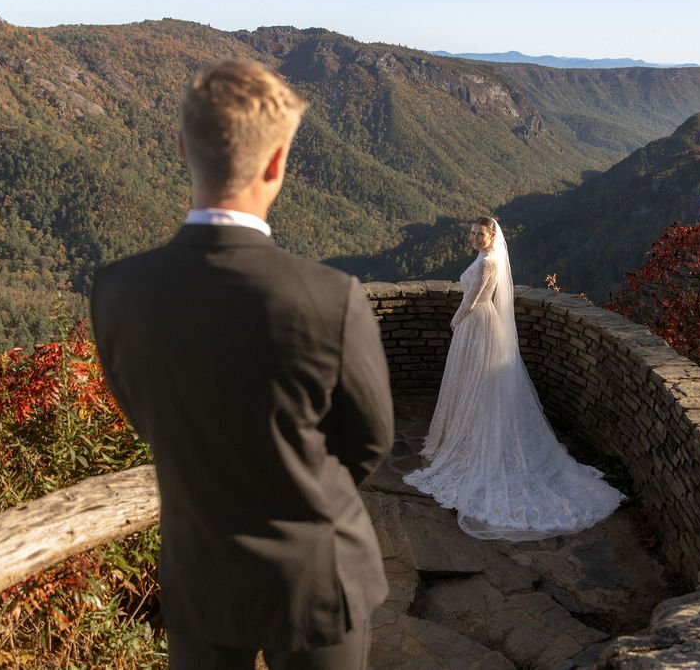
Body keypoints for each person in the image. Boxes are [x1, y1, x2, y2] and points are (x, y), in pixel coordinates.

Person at [91, 60, 393, 669]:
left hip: (200, 573)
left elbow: (145, 415)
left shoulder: (118, 290)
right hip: (316, 578)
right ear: (278, 161)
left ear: (182, 148)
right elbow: (369, 442)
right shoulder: (331, 297)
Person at [403, 216, 624, 541]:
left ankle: (472, 440)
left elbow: (473, 299)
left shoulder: (487, 263)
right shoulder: (487, 258)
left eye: (481, 234)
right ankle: (467, 435)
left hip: (476, 325)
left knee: (477, 385)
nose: (475, 238)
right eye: (473, 234)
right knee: (476, 385)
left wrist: (455, 320)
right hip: (481, 324)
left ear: (492, 236)